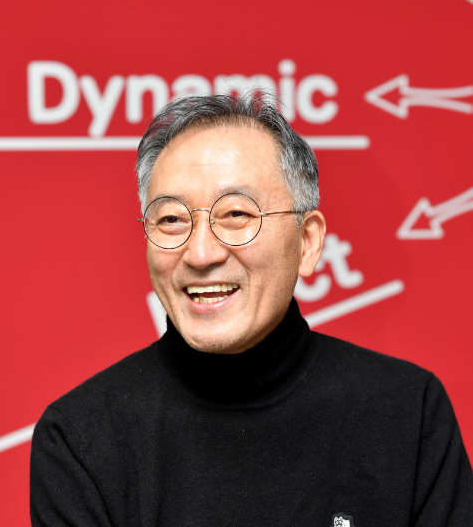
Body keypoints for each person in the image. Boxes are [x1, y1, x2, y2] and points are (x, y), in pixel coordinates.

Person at [30, 94, 473, 526]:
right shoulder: (80, 436)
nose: (200, 253)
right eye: (171, 220)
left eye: (237, 214)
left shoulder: (406, 411)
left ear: (307, 243)